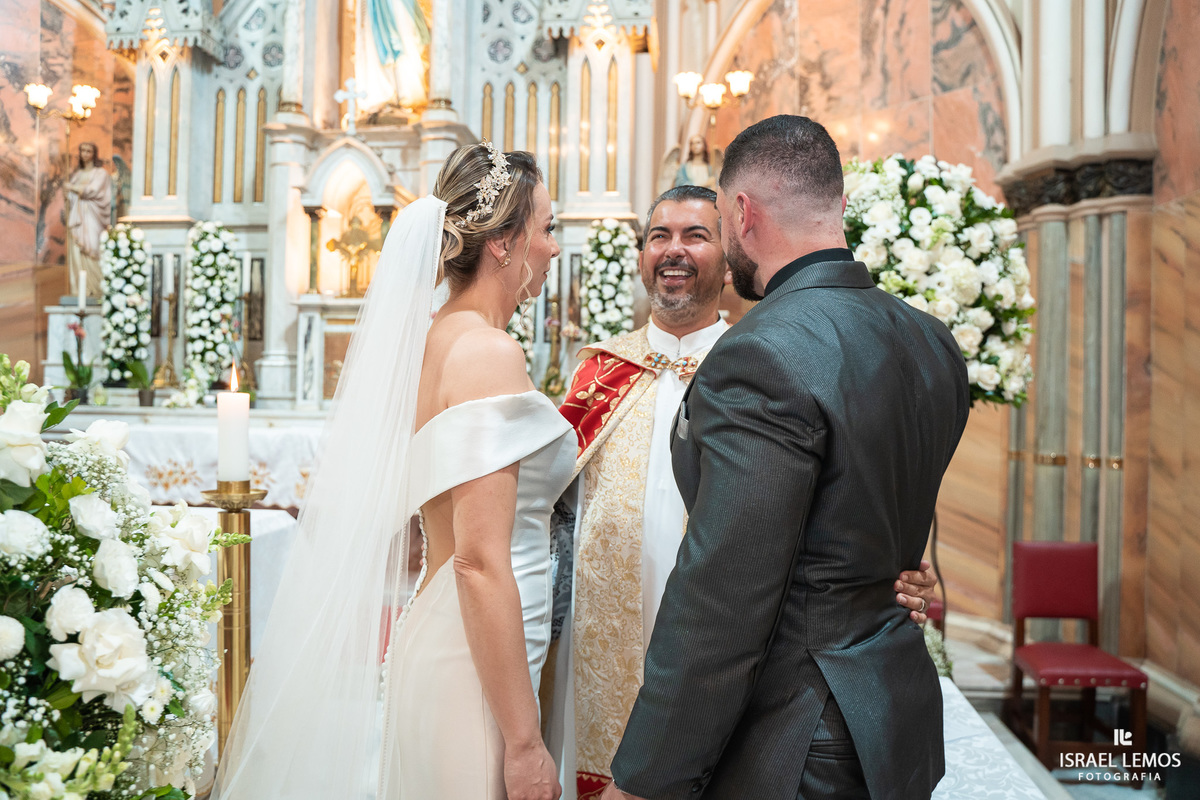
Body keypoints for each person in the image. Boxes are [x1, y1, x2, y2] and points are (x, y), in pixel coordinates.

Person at [601, 116, 970, 800]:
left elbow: (726, 596)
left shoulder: (759, 352)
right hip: (896, 712)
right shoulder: (931, 340)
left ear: (742, 214)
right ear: (839, 205)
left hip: (800, 734)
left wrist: (646, 777)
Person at [214, 142, 568, 800]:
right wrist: (524, 743)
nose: (553, 247)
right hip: (477, 658)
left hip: (448, 634)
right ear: (503, 243)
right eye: (547, 228)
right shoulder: (487, 352)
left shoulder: (431, 341)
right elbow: (478, 561)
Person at [65, 142, 113, 300]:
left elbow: (93, 191)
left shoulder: (101, 173)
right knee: (77, 250)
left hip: (93, 217)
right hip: (77, 217)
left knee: (92, 248)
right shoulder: (77, 175)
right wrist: (68, 193)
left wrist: (72, 187)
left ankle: (97, 287)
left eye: (88, 151)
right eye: (82, 151)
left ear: (94, 154)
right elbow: (70, 198)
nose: (85, 154)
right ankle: (80, 289)